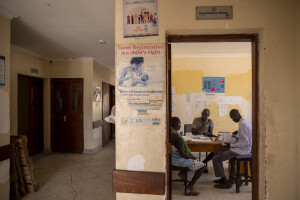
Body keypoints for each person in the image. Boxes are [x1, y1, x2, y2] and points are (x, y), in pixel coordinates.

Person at [212, 109, 252, 189]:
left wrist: (231, 145)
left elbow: (246, 142)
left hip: (241, 150)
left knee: (216, 159)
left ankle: (226, 182)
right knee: (217, 152)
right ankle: (222, 177)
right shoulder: (245, 121)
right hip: (245, 148)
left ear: (235, 114)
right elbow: (246, 135)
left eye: (232, 118)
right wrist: (238, 132)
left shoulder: (242, 124)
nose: (233, 120)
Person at [170, 117, 206, 196]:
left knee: (193, 160)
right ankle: (190, 186)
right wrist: (191, 157)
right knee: (202, 166)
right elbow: (183, 154)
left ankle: (182, 174)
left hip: (169, 159)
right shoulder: (178, 138)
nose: (180, 125)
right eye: (180, 124)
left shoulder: (168, 133)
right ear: (177, 125)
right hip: (176, 161)